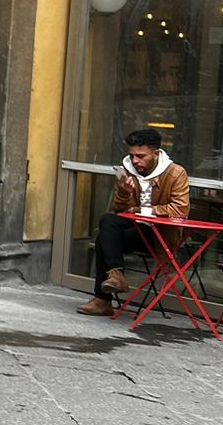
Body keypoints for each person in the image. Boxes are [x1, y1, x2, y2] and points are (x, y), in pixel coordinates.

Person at [80, 126, 190, 316]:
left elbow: (180, 210)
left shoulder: (175, 173)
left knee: (102, 240)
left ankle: (103, 300)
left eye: (141, 156)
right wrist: (124, 192)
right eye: (132, 156)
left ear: (155, 154)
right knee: (108, 220)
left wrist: (142, 210)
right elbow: (121, 212)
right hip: (136, 229)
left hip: (159, 235)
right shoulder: (128, 171)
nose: (135, 160)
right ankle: (116, 275)